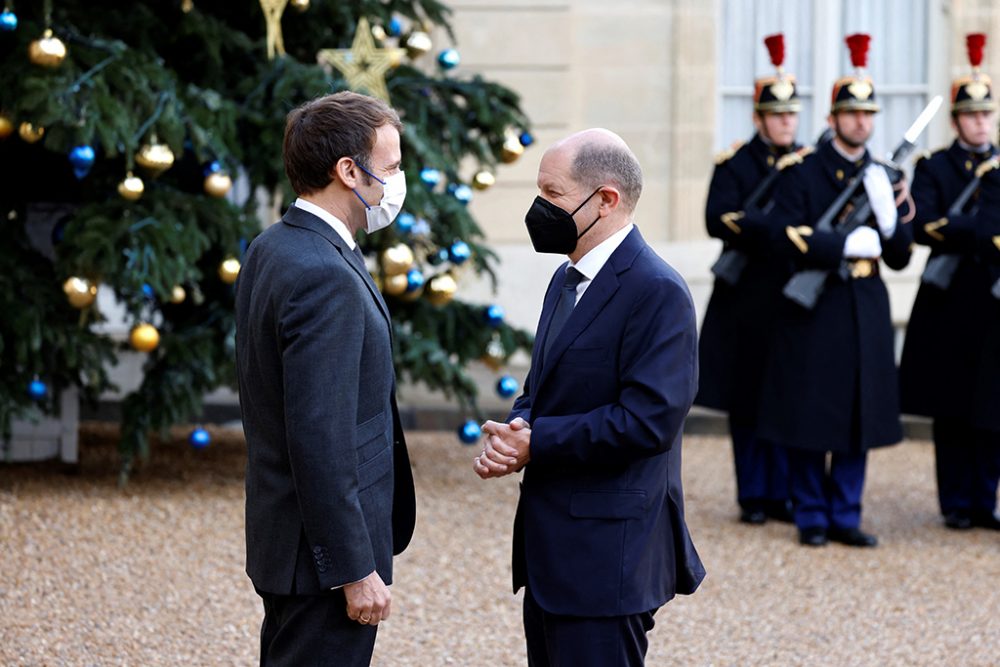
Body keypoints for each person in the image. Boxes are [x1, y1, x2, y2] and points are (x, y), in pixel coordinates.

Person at [473, 128, 704, 666]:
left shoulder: (658, 291)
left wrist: (538, 442)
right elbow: (542, 385)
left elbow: (650, 421)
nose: (538, 208)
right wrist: (516, 431)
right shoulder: (565, 278)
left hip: (609, 557)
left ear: (606, 199)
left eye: (552, 194)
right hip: (552, 552)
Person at [235, 91, 416, 666]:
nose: (396, 182)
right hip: (319, 563)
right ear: (348, 171)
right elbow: (319, 434)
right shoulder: (322, 273)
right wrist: (353, 568)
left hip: (291, 543)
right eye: (389, 168)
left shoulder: (276, 245)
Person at [756, 34, 913, 548]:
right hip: (816, 304)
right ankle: (812, 515)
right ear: (833, 118)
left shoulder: (883, 176)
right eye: (851, 113)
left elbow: (900, 254)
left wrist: (890, 220)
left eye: (868, 113)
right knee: (810, 409)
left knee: (857, 410)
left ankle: (846, 513)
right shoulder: (803, 172)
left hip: (864, 304)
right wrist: (839, 244)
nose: (861, 122)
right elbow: (782, 233)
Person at [697, 33, 803, 525]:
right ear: (759, 118)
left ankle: (782, 493)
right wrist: (769, 227)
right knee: (746, 400)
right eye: (777, 115)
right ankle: (754, 495)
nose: (786, 122)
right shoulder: (735, 163)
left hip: (788, 292)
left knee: (784, 394)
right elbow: (718, 219)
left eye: (791, 115)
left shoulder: (807, 165)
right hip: (745, 297)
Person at [902, 33, 1000, 531]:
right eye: (971, 115)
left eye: (986, 114)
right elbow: (926, 225)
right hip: (951, 296)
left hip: (993, 296)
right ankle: (956, 502)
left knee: (992, 405)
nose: (980, 122)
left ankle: (987, 499)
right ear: (957, 119)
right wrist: (983, 227)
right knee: (951, 404)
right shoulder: (935, 167)